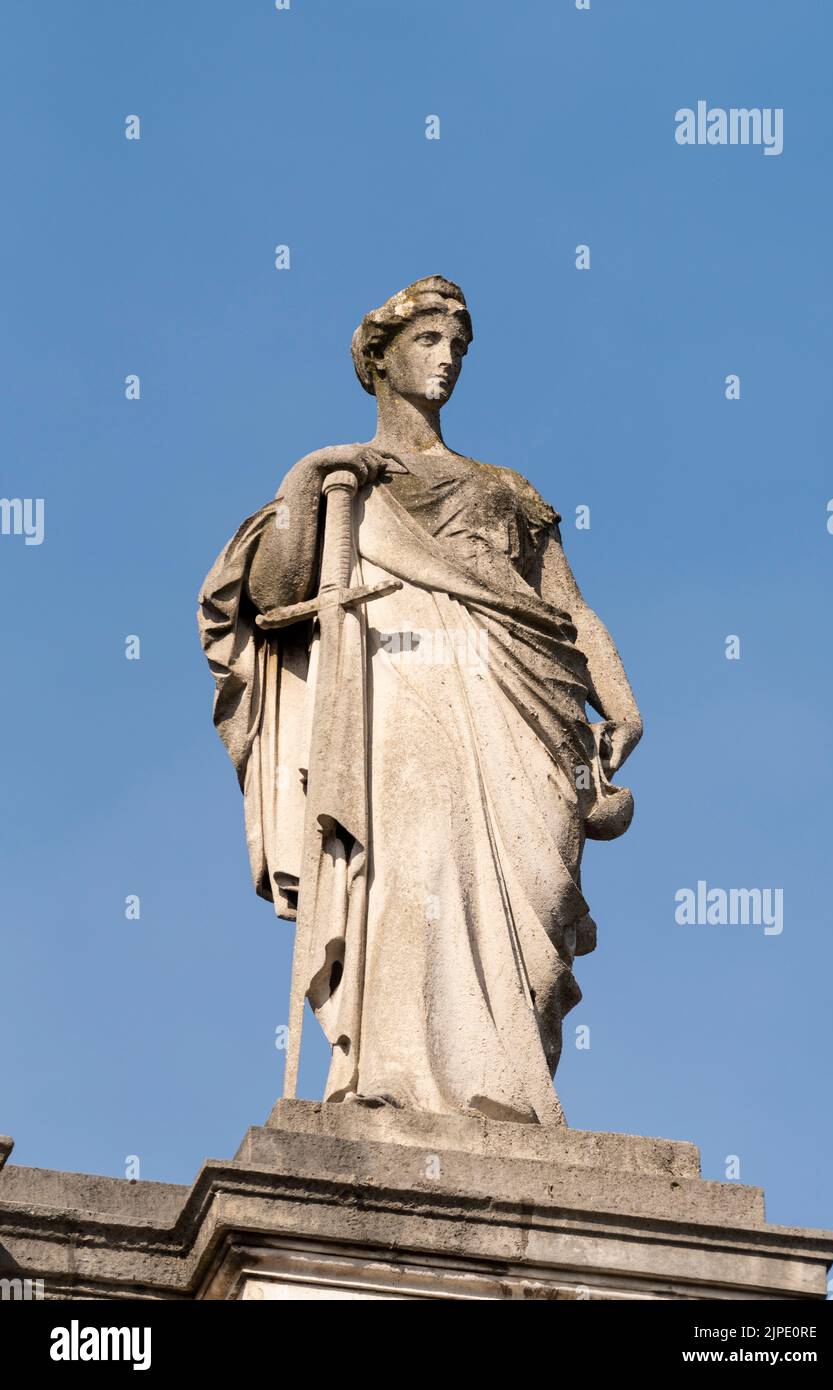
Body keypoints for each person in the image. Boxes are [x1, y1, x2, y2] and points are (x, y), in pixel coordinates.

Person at [199, 276, 642, 1125]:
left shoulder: (505, 486)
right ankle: (395, 1077)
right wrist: (307, 477)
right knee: (411, 864)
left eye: (458, 349)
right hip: (400, 693)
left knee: (534, 888)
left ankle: (509, 1086)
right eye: (428, 344)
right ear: (379, 358)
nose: (446, 363)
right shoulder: (346, 486)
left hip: (522, 703)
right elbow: (273, 593)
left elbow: (566, 603)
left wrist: (619, 699)